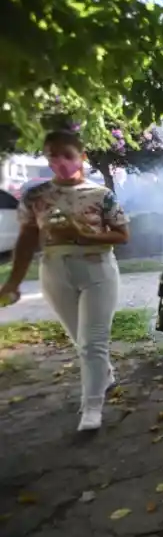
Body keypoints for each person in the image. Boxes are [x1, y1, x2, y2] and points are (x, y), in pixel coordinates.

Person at [0, 130, 130, 431]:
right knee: (81, 340)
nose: (60, 162)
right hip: (55, 270)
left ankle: (92, 407)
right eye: (52, 156)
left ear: (81, 157)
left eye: (67, 155)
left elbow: (122, 235)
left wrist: (83, 235)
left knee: (92, 342)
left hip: (98, 269)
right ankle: (104, 375)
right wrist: (13, 282)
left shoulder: (101, 195)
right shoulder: (35, 196)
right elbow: (26, 240)